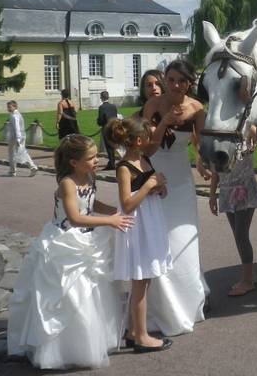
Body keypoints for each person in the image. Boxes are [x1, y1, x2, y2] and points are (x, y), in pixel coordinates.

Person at [8, 135, 132, 369]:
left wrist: (117, 210)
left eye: (97, 155)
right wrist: (110, 221)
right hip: (65, 241)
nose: (97, 160)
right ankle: (63, 348)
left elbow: (92, 204)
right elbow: (74, 218)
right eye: (91, 157)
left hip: (88, 238)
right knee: (70, 294)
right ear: (74, 162)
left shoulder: (89, 176)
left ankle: (93, 339)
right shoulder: (67, 183)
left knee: (93, 292)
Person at [139, 59, 210, 336]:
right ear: (165, 80)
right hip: (157, 174)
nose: (176, 85)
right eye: (171, 80)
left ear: (189, 83)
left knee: (183, 237)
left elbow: (199, 142)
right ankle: (162, 304)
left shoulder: (196, 108)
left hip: (181, 178)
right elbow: (144, 148)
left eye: (182, 81)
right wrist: (163, 123)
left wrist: (202, 163)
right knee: (160, 236)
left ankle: (189, 300)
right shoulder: (153, 106)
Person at [110, 116, 173, 353]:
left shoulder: (145, 159)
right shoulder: (124, 168)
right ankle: (141, 335)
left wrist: (159, 188)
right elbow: (126, 203)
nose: (150, 140)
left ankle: (135, 330)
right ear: (138, 140)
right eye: (147, 137)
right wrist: (148, 186)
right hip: (137, 226)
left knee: (145, 280)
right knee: (140, 281)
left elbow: (152, 191)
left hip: (151, 222)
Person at [208, 126, 257, 297]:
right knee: (237, 235)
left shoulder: (246, 136)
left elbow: (256, 132)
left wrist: (250, 129)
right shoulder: (216, 143)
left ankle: (247, 281)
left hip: (244, 191)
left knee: (241, 234)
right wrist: (212, 196)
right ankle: (250, 275)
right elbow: (215, 173)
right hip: (226, 191)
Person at [5, 100, 39, 177]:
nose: (8, 108)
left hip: (16, 137)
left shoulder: (14, 116)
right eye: (8, 107)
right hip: (21, 136)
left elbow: (17, 128)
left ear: (14, 107)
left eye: (10, 107)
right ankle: (31, 167)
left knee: (14, 153)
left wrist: (18, 139)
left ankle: (14, 171)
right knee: (21, 152)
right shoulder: (16, 114)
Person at [96, 90, 119, 171]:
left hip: (106, 127)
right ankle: (112, 162)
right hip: (114, 126)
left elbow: (101, 120)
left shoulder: (102, 107)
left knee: (109, 147)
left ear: (102, 98)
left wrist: (98, 121)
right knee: (113, 145)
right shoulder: (113, 106)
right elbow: (115, 116)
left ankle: (112, 163)